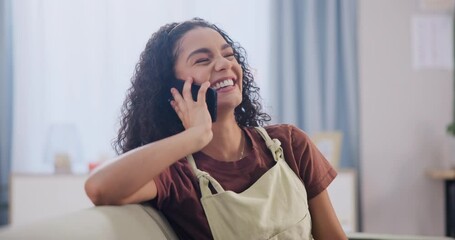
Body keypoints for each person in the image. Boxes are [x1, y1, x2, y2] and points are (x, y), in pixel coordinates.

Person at [85, 18, 347, 240]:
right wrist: (195, 136)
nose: (224, 64)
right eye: (202, 60)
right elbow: (99, 188)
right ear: (172, 88)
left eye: (229, 54)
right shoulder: (176, 176)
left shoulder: (289, 142)